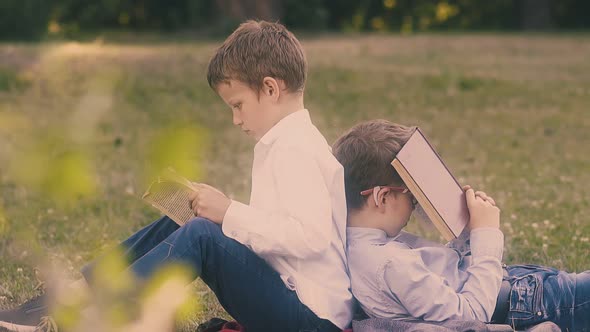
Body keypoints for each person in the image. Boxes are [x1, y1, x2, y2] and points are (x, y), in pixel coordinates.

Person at [0, 20, 352, 332]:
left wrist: (229, 211)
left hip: (311, 319)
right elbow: (281, 228)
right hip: (290, 299)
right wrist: (220, 211)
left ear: (271, 89)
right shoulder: (284, 143)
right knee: (188, 219)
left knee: (201, 234)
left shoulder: (297, 149)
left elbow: (310, 237)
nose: (236, 119)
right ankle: (65, 301)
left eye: (238, 105)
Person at [331, 119, 590, 331]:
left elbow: (446, 276)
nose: (414, 206)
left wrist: (465, 233)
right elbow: (471, 314)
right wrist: (485, 236)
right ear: (382, 197)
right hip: (523, 303)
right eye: (412, 196)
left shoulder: (370, 246)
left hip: (518, 286)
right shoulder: (389, 264)